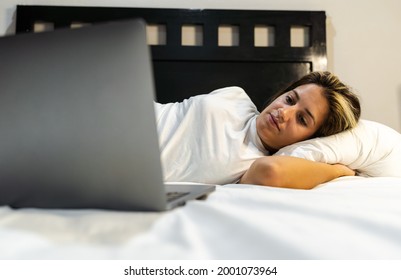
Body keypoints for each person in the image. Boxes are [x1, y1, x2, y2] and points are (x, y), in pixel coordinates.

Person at [155, 71, 361, 189]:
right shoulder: (236, 95)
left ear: (311, 138)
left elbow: (272, 172)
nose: (284, 112)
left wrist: (340, 171)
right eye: (289, 99)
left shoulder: (256, 163)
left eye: (302, 119)